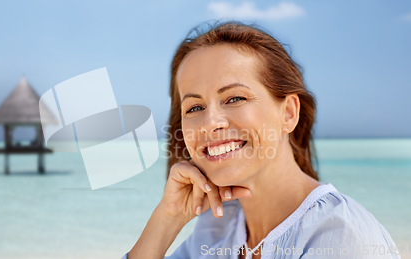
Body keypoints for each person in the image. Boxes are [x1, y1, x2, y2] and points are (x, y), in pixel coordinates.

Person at [123, 21, 400, 259]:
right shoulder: (217, 228)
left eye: (234, 98)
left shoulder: (341, 239)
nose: (210, 123)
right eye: (194, 108)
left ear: (289, 113)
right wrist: (167, 219)